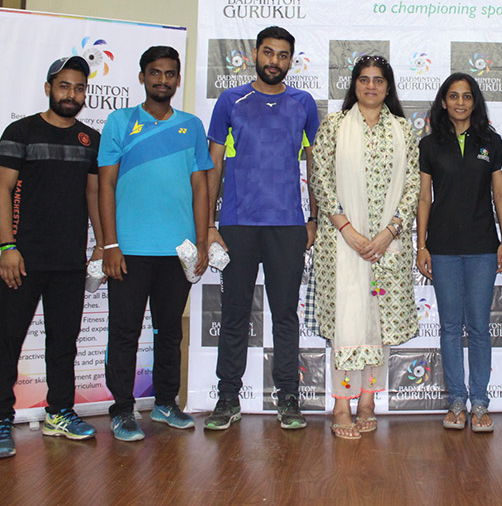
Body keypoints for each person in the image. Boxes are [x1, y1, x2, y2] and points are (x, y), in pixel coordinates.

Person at [0, 56, 102, 459]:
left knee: (64, 342)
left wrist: (101, 244)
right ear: (49, 88)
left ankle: (60, 412)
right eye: (64, 86)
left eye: (79, 87)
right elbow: (1, 190)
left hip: (69, 262)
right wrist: (7, 247)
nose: (72, 94)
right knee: (7, 340)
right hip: (22, 260)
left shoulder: (90, 139)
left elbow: (93, 194)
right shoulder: (21, 131)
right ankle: (0, 419)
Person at [204, 26, 319, 432]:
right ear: (255, 54)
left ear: (291, 61)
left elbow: (315, 163)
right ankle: (227, 397)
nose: (274, 61)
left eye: (283, 55)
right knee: (235, 314)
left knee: (285, 315)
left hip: (287, 226)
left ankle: (287, 396)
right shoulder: (230, 101)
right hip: (237, 224)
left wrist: (314, 218)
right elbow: (213, 163)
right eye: (268, 52)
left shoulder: (303, 103)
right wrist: (210, 224)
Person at [98, 45, 213, 442]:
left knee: (169, 332)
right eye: (155, 73)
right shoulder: (119, 122)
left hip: (177, 252)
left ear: (177, 79)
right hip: (128, 251)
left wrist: (202, 241)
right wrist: (109, 245)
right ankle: (122, 410)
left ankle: (166, 403)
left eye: (169, 74)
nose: (162, 80)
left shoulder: (191, 126)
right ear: (143, 77)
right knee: (124, 332)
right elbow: (105, 184)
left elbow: (201, 186)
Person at [310, 55, 420, 439]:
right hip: (341, 245)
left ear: (388, 88)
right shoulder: (335, 126)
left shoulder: (403, 130)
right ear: (354, 85)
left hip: (388, 246)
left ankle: (368, 402)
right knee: (347, 319)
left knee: (378, 321)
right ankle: (342, 405)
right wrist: (348, 230)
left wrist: (389, 232)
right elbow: (320, 179)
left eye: (378, 80)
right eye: (364, 79)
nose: (371, 86)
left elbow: (413, 187)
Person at [416, 73, 502, 432]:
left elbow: (500, 195)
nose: (460, 102)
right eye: (453, 96)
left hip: (483, 247)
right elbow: (424, 199)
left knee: (480, 327)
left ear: (475, 102)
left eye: (467, 96)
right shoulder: (430, 145)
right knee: (451, 327)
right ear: (443, 102)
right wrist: (421, 245)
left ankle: (480, 402)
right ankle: (456, 400)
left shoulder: (491, 141)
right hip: (442, 249)